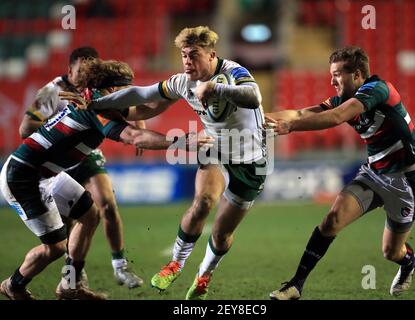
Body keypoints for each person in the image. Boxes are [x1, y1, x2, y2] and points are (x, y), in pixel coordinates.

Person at [65, 26, 268, 300]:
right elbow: (141, 94)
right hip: (214, 148)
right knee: (203, 202)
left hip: (251, 160)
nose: (186, 61)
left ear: (211, 55)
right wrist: (97, 105)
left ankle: (203, 276)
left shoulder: (234, 72)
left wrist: (216, 88)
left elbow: (254, 97)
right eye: (183, 55)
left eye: (193, 55)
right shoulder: (182, 82)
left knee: (221, 235)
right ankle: (175, 263)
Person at [0, 58, 211, 300]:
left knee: (90, 216)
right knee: (55, 247)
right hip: (24, 177)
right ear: (112, 89)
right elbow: (135, 137)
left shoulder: (99, 100)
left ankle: (70, 286)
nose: (130, 93)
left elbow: (144, 109)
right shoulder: (96, 109)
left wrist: (177, 90)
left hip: (46, 174)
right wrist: (182, 141)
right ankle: (13, 285)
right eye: (125, 88)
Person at [265, 46, 415, 299]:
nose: (331, 81)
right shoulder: (342, 98)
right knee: (332, 220)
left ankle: (408, 262)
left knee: (391, 252)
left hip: (407, 180)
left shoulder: (378, 89)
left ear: (357, 75)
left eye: (337, 74)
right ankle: (295, 285)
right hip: (374, 174)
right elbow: (301, 112)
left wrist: (293, 126)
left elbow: (336, 117)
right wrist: (258, 119)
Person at [18, 46, 144, 289]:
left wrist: (138, 123)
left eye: (92, 70)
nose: (88, 74)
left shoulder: (95, 90)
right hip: (57, 159)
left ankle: (120, 267)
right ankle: (73, 273)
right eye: (81, 70)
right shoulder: (51, 92)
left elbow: (127, 102)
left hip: (86, 155)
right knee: (68, 223)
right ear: (69, 70)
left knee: (107, 203)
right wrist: (59, 130)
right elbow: (25, 129)